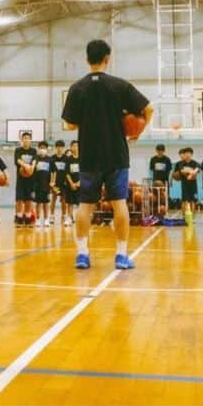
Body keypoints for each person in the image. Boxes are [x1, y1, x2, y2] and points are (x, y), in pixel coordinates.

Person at [61, 38, 152, 270]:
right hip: (116, 154)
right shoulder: (120, 86)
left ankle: (82, 254)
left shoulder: (77, 88)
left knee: (85, 206)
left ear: (87, 59)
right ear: (107, 59)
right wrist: (138, 132)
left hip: (89, 154)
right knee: (119, 203)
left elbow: (70, 125)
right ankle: (121, 255)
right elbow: (148, 109)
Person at [12, 131, 36, 227]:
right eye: (24, 138)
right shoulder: (18, 150)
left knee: (29, 200)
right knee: (19, 200)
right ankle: (19, 217)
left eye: (28, 138)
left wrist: (31, 169)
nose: (26, 140)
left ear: (30, 140)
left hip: (31, 179)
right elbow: (17, 160)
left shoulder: (33, 151)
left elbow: (34, 161)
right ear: (22, 140)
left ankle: (28, 217)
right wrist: (26, 166)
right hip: (21, 179)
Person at [173, 147, 199, 218]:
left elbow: (196, 170)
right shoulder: (181, 163)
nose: (187, 155)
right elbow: (182, 171)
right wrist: (191, 172)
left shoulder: (195, 163)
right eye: (186, 153)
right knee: (184, 200)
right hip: (184, 184)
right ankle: (183, 216)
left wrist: (191, 174)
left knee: (193, 201)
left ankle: (192, 216)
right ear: (184, 154)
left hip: (193, 184)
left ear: (191, 154)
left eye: (189, 153)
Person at [49, 139, 70, 227]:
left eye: (61, 147)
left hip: (64, 183)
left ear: (63, 148)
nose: (59, 149)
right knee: (53, 199)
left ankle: (64, 216)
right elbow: (50, 171)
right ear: (55, 148)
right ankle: (52, 216)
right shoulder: (52, 158)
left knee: (64, 200)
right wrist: (51, 182)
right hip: (55, 183)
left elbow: (68, 171)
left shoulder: (66, 158)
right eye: (58, 147)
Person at [32, 140, 53, 226]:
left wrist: (52, 182)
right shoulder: (35, 158)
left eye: (44, 148)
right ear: (38, 148)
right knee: (38, 203)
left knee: (46, 203)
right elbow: (31, 171)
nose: (42, 149)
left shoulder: (50, 159)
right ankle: (37, 219)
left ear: (47, 149)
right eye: (41, 148)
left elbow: (52, 172)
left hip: (46, 184)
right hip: (37, 184)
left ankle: (46, 219)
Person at [149, 144, 172, 214]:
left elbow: (170, 171)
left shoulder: (167, 159)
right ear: (156, 151)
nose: (160, 152)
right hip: (155, 181)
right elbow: (151, 170)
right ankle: (155, 211)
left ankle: (165, 210)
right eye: (158, 151)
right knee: (155, 197)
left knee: (165, 197)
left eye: (161, 151)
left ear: (164, 151)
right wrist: (152, 180)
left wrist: (170, 181)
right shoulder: (153, 159)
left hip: (164, 181)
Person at [64, 140, 81, 221]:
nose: (75, 147)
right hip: (70, 184)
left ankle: (80, 218)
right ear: (71, 147)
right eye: (73, 146)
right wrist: (71, 183)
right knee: (70, 202)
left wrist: (79, 182)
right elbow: (67, 173)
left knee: (80, 203)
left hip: (80, 184)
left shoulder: (82, 159)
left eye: (77, 146)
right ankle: (69, 217)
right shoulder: (68, 159)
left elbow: (84, 172)